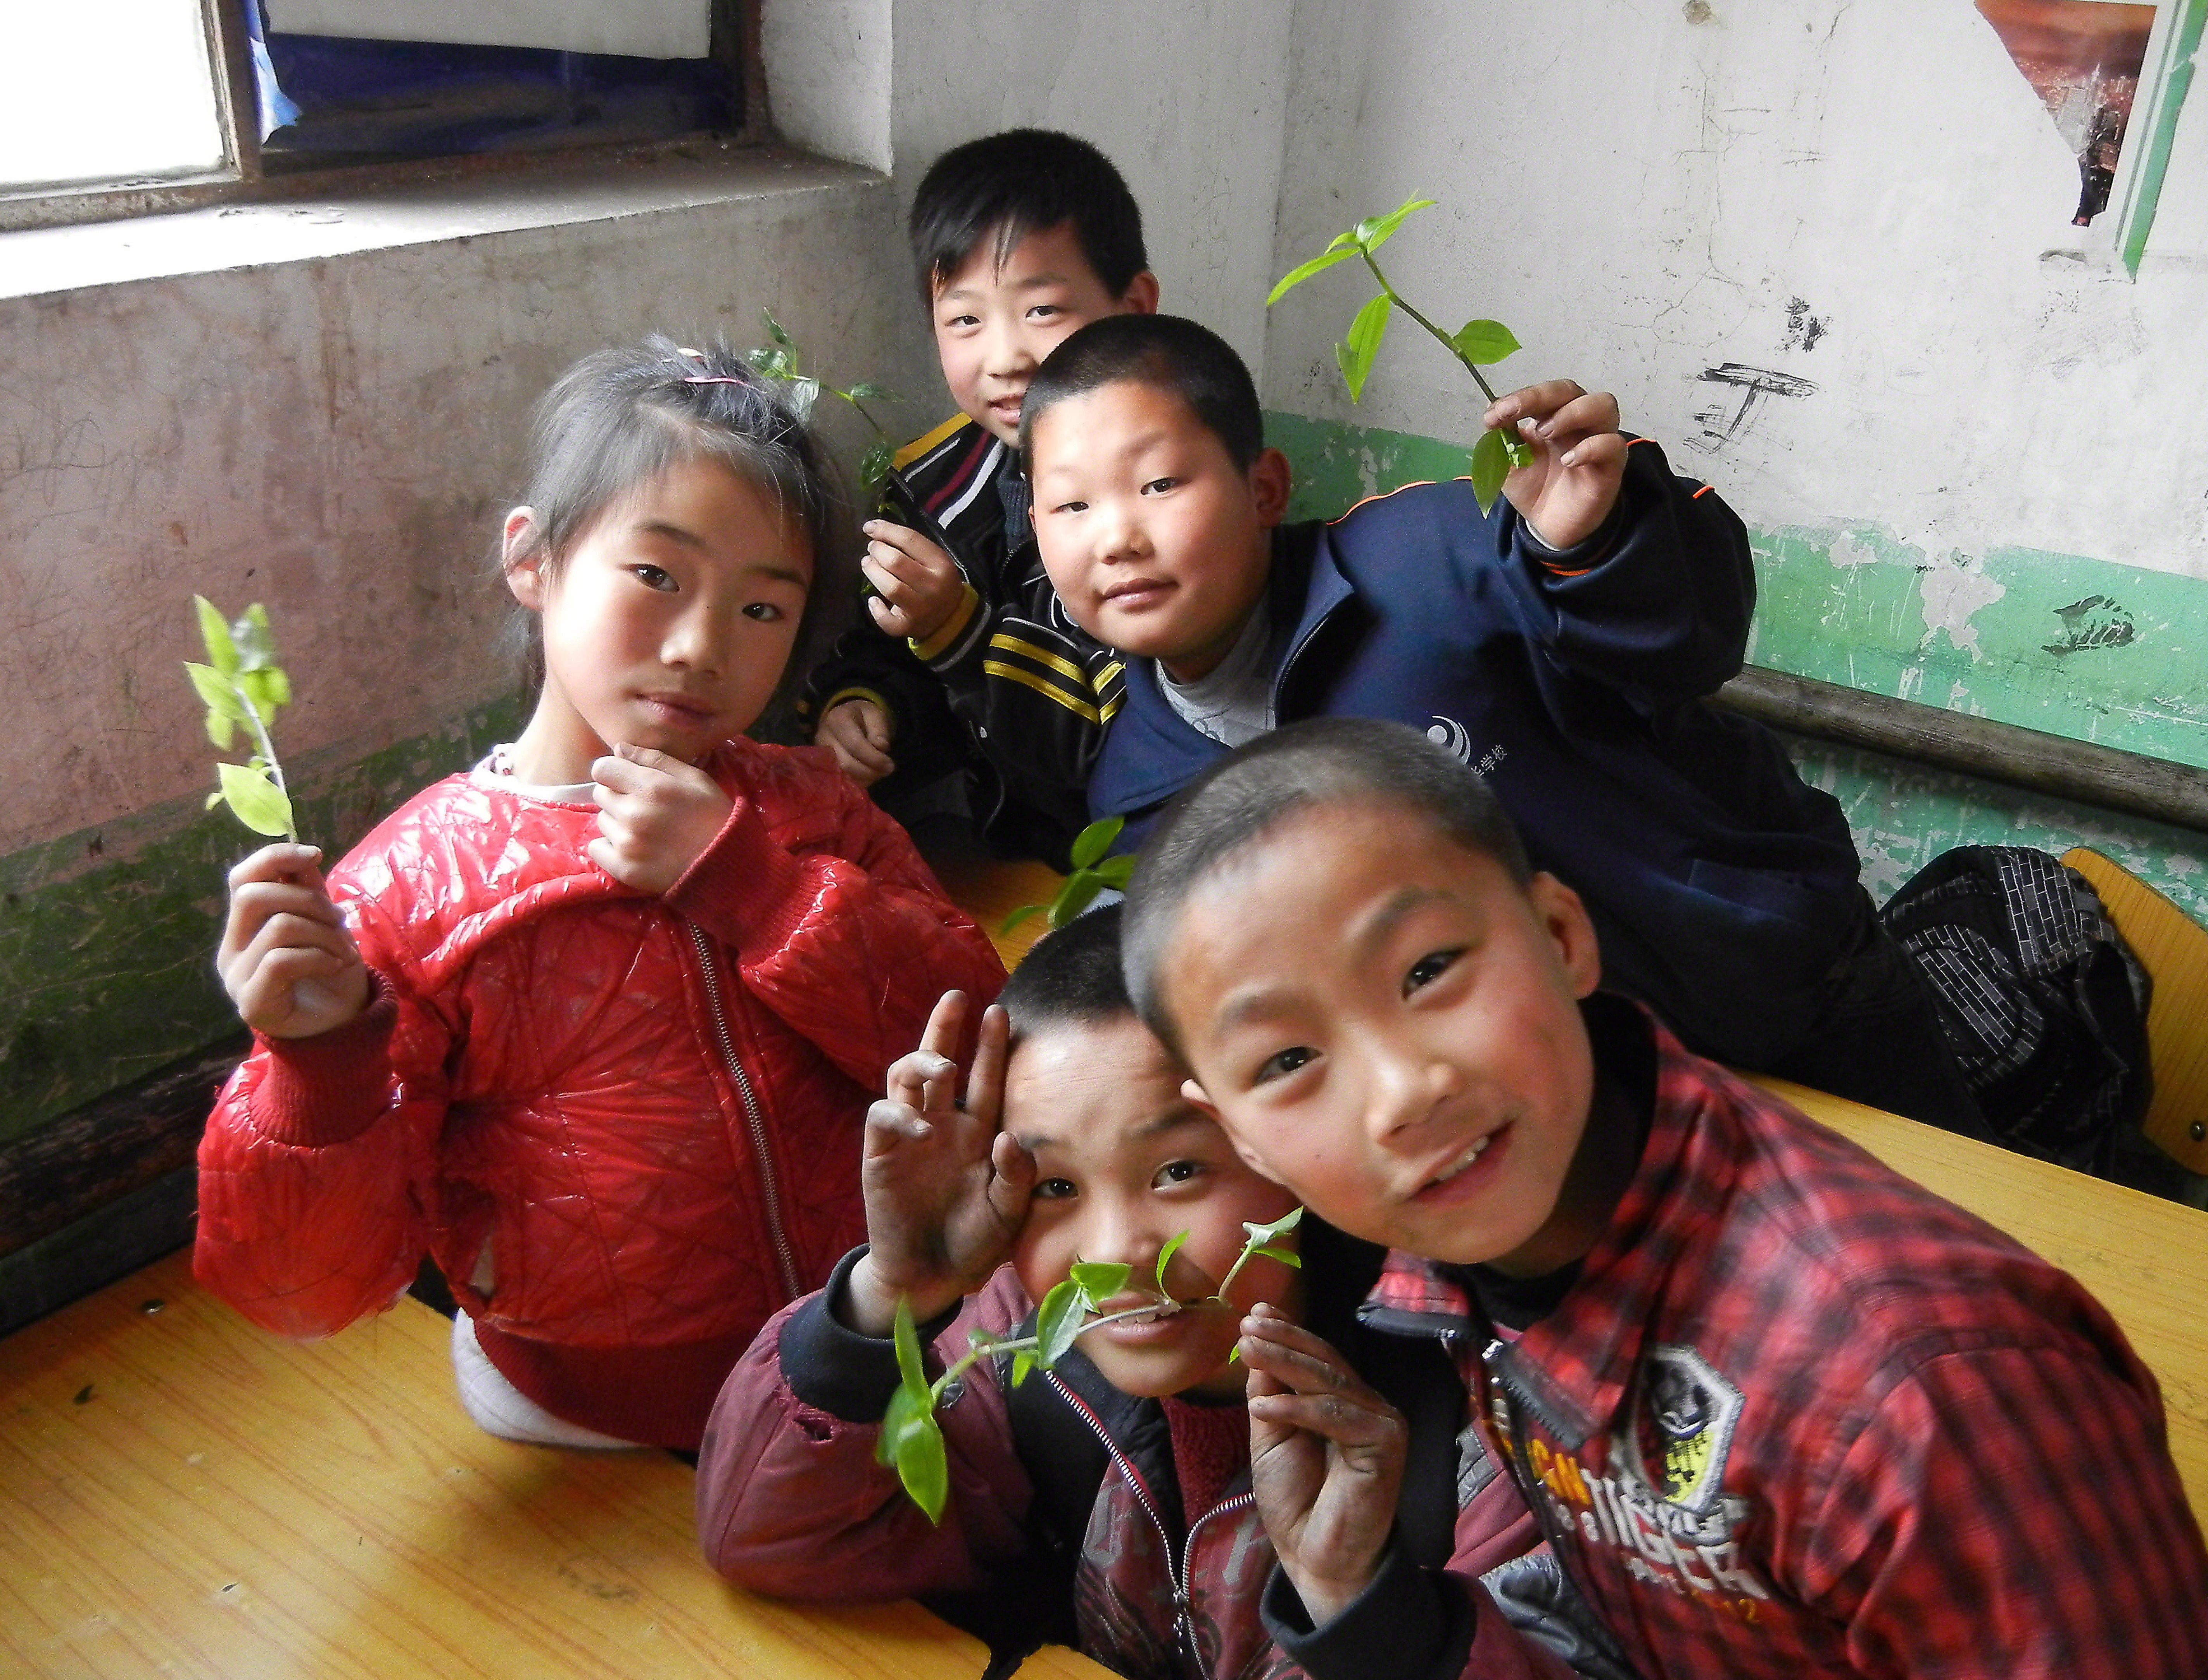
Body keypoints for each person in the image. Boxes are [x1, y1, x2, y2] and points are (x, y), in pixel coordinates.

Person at [1116, 716, 2208, 1680]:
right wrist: (1361, 1600)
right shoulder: (1468, 1229)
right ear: (1247, 1143)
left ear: (1564, 934)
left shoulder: (1918, 1393)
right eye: (1288, 1059)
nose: (1397, 1092)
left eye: (1428, 969)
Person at [194, 337, 1006, 1453]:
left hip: (865, 1347)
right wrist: (317, 1070)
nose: (699, 646)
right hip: (588, 1421)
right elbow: (304, 1293)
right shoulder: (405, 895)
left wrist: (763, 895)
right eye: (657, 576)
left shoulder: (809, 812)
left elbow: (973, 1039)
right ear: (532, 558)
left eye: (762, 611)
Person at [696, 908, 1669, 1680]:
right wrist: (892, 1297)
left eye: (1178, 1173)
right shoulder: (1027, 1348)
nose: (1114, 1249)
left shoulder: (1483, 1428)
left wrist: (1363, 1604)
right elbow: (765, 1535)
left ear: (1287, 1148)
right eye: (1056, 1189)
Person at [1011, 312, 1989, 1134]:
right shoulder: (1143, 792)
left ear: (1264, 489)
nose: (1118, 537)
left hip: (1790, 995)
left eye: (1159, 485)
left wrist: (1595, 542)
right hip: (1572, 1110)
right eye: (1071, 506)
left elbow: (1693, 639)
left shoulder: (1433, 555)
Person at [801, 129, 1158, 865]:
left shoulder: (1169, 491)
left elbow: (1116, 729)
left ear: (1134, 306)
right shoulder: (932, 488)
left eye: (1043, 311)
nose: (1005, 359)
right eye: (965, 320)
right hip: (989, 844)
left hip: (1135, 849)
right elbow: (884, 651)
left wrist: (960, 633)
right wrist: (864, 708)